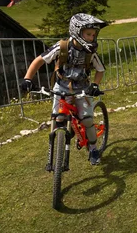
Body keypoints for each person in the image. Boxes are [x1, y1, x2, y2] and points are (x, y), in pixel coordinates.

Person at [20, 13, 108, 166]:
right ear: (76, 31)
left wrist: (95, 85)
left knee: (87, 121)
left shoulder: (90, 52)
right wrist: (27, 78)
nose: (92, 38)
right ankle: (58, 146)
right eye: (88, 34)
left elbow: (100, 70)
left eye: (94, 35)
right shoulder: (62, 47)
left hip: (83, 89)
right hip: (61, 87)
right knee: (58, 118)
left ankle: (93, 149)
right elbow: (39, 60)